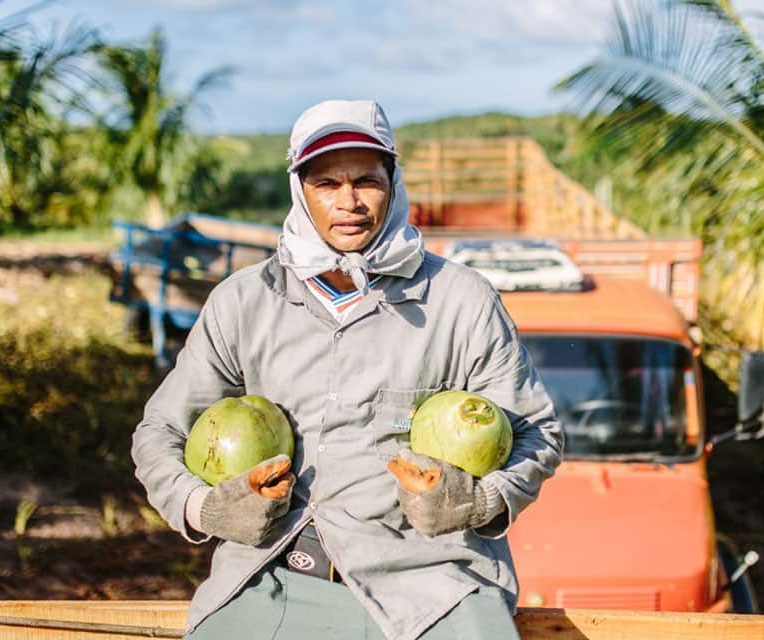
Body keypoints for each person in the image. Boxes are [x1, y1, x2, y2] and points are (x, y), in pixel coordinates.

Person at [131, 99, 563, 640]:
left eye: (367, 181)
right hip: (274, 574)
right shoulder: (242, 303)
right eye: (327, 183)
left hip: (433, 587)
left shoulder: (461, 301)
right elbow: (160, 433)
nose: (350, 202)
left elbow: (537, 432)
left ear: (393, 183)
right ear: (300, 191)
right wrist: (204, 508)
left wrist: (480, 500)